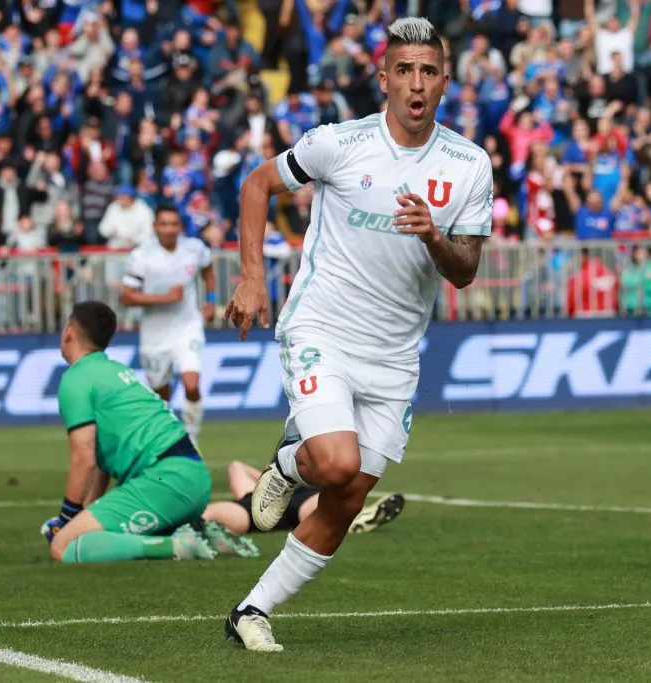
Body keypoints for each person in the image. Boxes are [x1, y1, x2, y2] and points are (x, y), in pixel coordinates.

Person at [221, 17, 492, 651]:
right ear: (384, 79)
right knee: (335, 464)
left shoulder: (469, 165)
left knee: (343, 499)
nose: (416, 84)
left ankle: (251, 610)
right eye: (404, 71)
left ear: (445, 81)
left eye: (428, 71)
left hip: (396, 355)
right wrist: (253, 278)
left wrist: (433, 236)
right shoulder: (337, 144)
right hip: (323, 326)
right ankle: (292, 460)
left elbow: (466, 272)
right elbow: (257, 184)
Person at [43, 301, 254, 564]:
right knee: (89, 534)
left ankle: (177, 545)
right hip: (192, 478)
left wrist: (66, 519)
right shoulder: (116, 370)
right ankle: (196, 533)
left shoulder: (76, 379)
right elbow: (100, 463)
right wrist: (83, 515)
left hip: (163, 481)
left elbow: (83, 457)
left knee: (64, 547)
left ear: (68, 333)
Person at [119, 204, 216, 440]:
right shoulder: (141, 256)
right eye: (164, 224)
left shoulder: (194, 248)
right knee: (161, 394)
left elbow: (207, 269)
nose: (169, 229)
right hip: (155, 333)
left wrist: (211, 300)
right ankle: (167, 438)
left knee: (191, 384)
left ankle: (191, 437)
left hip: (188, 326)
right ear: (155, 227)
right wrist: (165, 298)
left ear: (180, 227)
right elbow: (126, 296)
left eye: (174, 224)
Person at [202, 461, 405, 536]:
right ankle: (357, 519)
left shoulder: (251, 492)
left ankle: (357, 519)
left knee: (208, 514)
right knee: (327, 509)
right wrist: (271, 480)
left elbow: (237, 467)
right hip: (287, 500)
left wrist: (271, 480)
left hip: (260, 509)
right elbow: (236, 466)